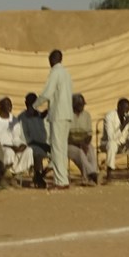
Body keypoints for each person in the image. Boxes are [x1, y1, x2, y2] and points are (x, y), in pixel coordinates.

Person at [34, 49, 73, 190]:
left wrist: (34, 105)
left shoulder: (55, 73)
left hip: (57, 115)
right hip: (67, 114)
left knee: (56, 148)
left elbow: (47, 93)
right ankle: (63, 179)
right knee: (62, 148)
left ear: (52, 60)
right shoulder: (67, 74)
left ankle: (60, 181)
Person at [0, 96, 32, 188]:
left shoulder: (14, 120)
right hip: (0, 147)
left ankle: (12, 176)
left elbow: (16, 137)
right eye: (7, 104)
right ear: (0, 106)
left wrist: (21, 145)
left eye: (10, 104)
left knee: (29, 151)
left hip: (13, 146)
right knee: (9, 152)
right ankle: (5, 177)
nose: (10, 106)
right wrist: (11, 147)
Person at [101, 98, 129, 181]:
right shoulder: (109, 116)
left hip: (125, 143)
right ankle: (109, 173)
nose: (126, 111)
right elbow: (111, 137)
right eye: (125, 109)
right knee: (112, 144)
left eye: (128, 109)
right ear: (118, 107)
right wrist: (124, 124)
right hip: (109, 143)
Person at [17, 93, 50, 188]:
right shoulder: (22, 118)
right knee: (37, 152)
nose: (32, 105)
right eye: (30, 103)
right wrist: (42, 145)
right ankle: (38, 175)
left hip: (45, 145)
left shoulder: (41, 116)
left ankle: (42, 174)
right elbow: (26, 139)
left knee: (58, 153)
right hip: (31, 146)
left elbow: (48, 132)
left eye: (34, 103)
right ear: (26, 103)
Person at [67, 94, 98, 186]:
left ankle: (90, 176)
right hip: (69, 144)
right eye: (80, 105)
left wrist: (85, 144)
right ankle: (92, 175)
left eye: (83, 104)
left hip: (83, 142)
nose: (82, 107)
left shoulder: (87, 115)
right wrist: (80, 144)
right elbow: (66, 136)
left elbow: (89, 133)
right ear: (73, 105)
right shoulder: (67, 115)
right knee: (80, 153)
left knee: (91, 151)